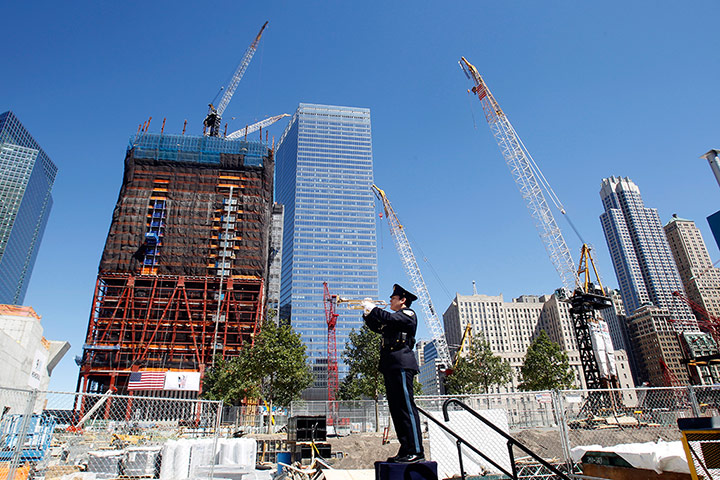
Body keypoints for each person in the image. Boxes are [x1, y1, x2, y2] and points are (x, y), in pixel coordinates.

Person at [361, 284, 425, 464]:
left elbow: (388, 318)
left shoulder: (408, 314)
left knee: (406, 408)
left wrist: (373, 308)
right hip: (390, 365)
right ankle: (406, 449)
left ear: (403, 300)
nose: (390, 300)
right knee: (396, 410)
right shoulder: (392, 320)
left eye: (393, 298)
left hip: (402, 364)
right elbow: (378, 326)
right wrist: (367, 314)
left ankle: (416, 450)